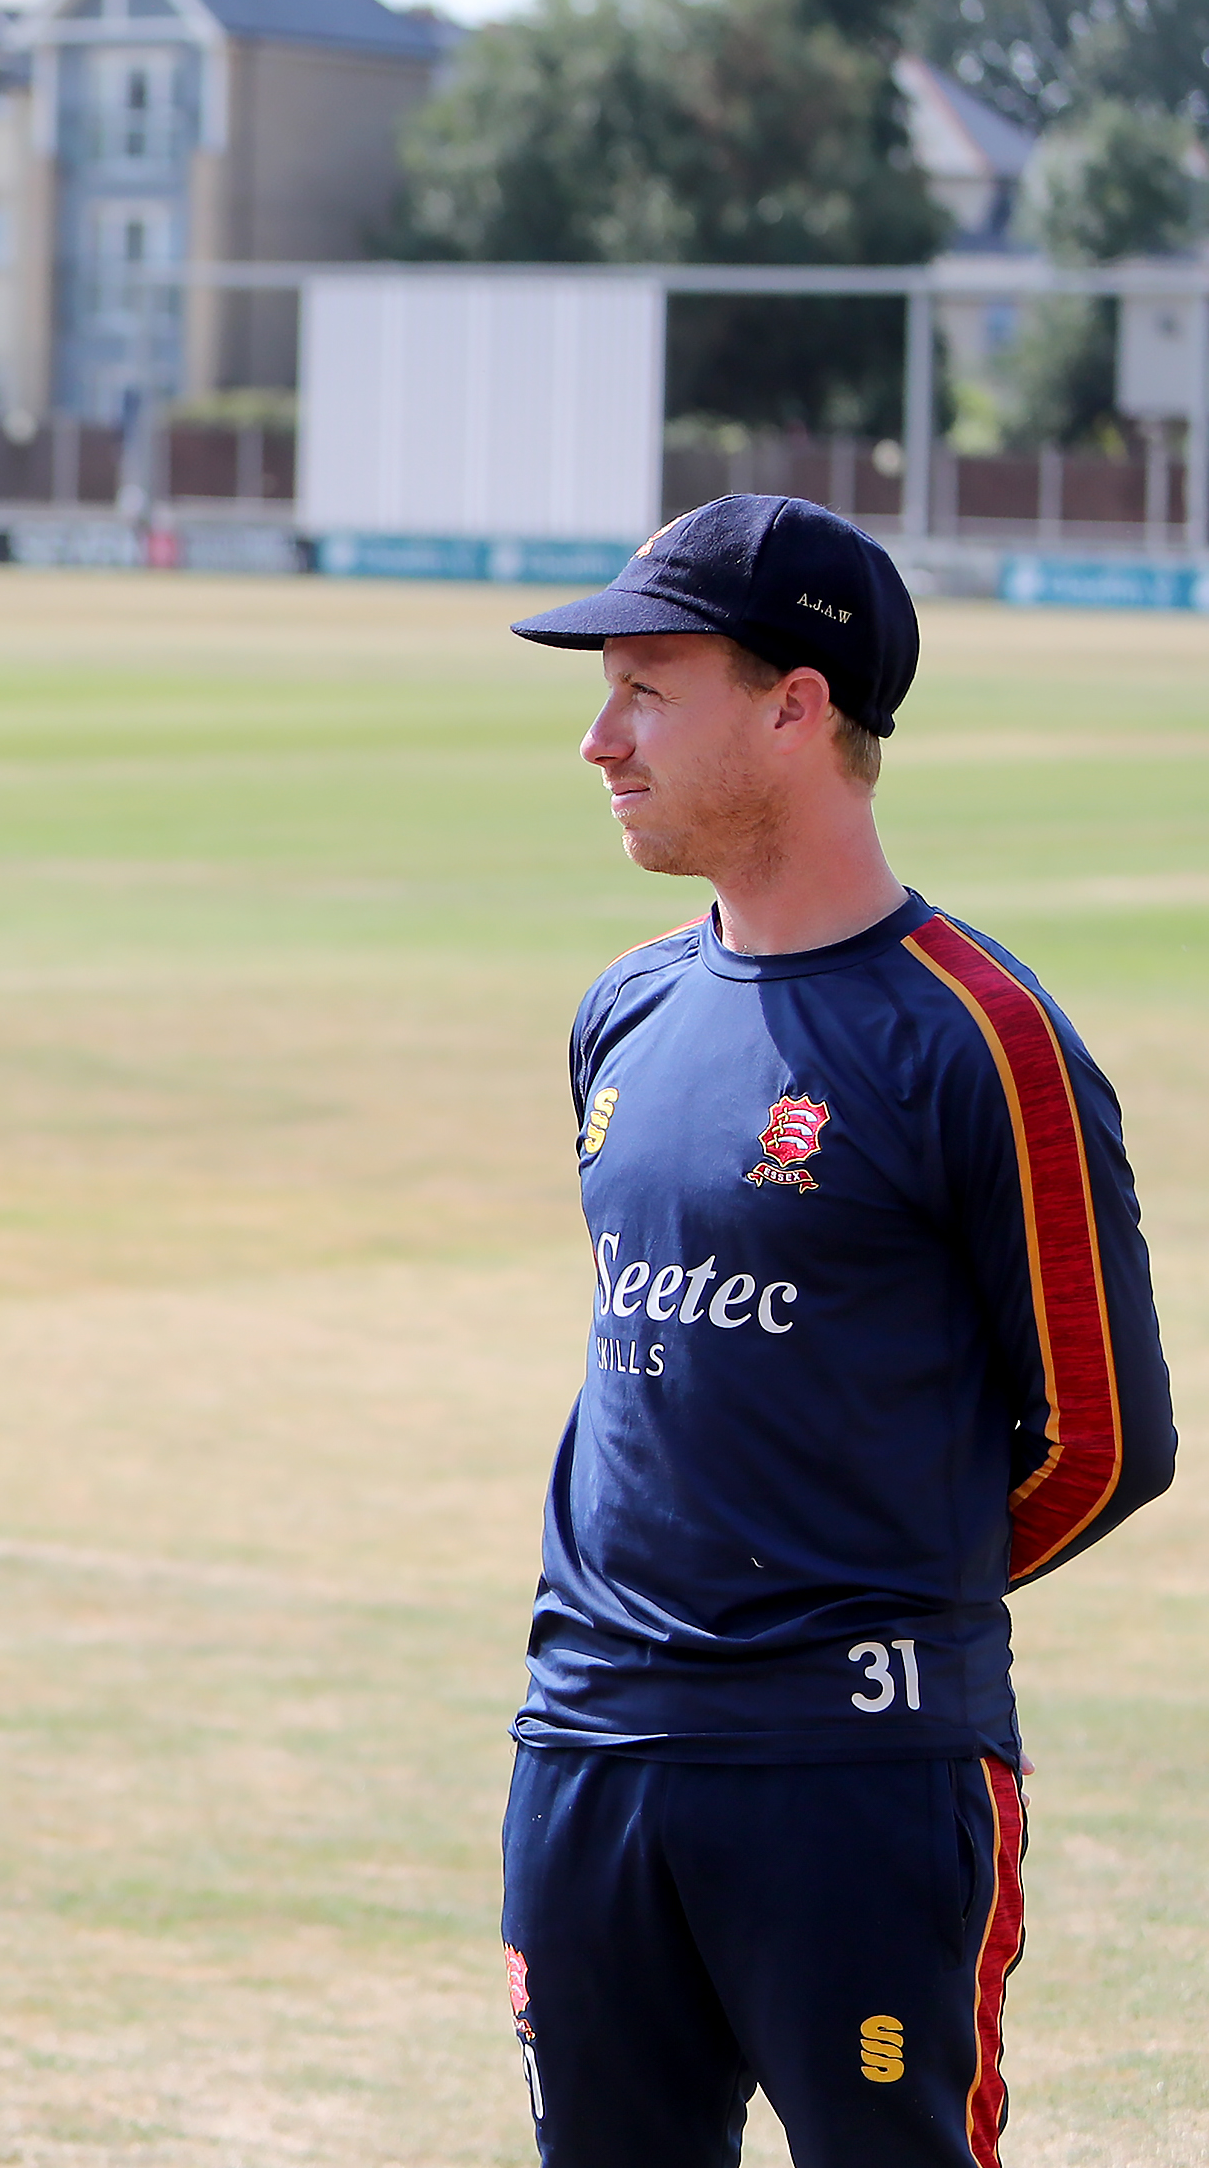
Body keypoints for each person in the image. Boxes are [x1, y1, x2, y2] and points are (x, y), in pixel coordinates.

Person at [495, 493, 1174, 2166]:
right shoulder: (628, 1009)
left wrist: (854, 1599)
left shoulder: (981, 1039)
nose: (598, 740)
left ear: (799, 705)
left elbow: (1105, 1445)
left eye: (649, 688)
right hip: (588, 1746)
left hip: (850, 1778)